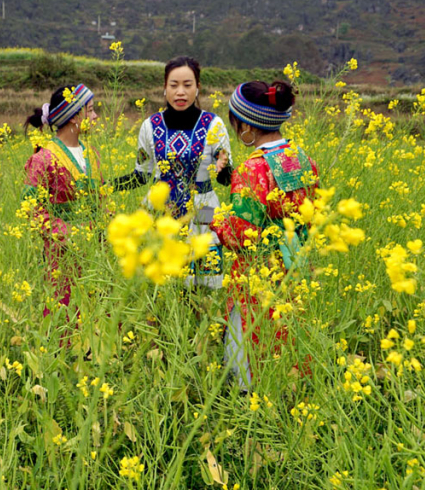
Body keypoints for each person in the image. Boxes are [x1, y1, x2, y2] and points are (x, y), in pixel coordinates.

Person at [211, 80, 319, 390]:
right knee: (289, 341)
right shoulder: (302, 159)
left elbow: (241, 235)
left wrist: (210, 221)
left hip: (258, 273)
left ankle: (250, 409)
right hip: (295, 265)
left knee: (250, 346)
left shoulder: (252, 168)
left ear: (246, 125)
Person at [114, 56, 233, 290]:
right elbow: (141, 174)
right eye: (174, 85)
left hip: (204, 208)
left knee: (205, 286)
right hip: (162, 210)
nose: (181, 92)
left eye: (188, 85)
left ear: (198, 88)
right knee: (163, 287)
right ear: (164, 88)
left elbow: (225, 178)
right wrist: (105, 186)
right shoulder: (150, 126)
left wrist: (223, 167)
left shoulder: (214, 124)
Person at [22, 84, 102, 319]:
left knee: (97, 312)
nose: (95, 116)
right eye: (90, 110)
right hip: (62, 252)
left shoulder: (93, 153)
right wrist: (67, 234)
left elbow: (101, 198)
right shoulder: (43, 158)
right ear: (74, 116)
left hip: (95, 251)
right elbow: (31, 207)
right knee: (65, 313)